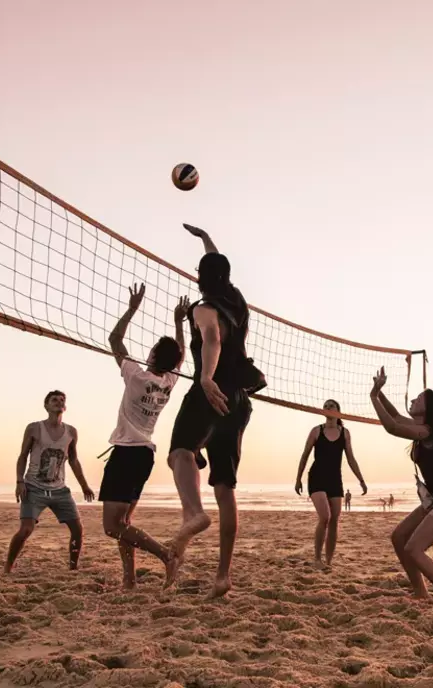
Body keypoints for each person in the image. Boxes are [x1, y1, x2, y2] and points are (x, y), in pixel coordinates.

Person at [166, 223, 264, 598]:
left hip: (211, 391)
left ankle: (193, 512)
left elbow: (211, 338)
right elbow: (217, 265)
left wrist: (206, 378)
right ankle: (223, 575)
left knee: (180, 452)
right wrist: (205, 238)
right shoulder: (237, 301)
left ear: (199, 280)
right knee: (225, 489)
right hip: (240, 401)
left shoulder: (204, 308)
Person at [100, 284, 189, 588]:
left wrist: (133, 307)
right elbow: (182, 354)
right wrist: (179, 321)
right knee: (125, 524)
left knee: (112, 526)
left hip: (127, 453)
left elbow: (114, 339)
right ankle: (129, 580)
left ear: (152, 354)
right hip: (145, 455)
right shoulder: (169, 381)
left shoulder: (136, 376)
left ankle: (166, 555)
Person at [370, 366, 433, 601]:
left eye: (419, 398)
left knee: (414, 549)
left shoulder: (428, 431)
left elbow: (392, 427)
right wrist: (379, 391)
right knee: (398, 538)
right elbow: (395, 417)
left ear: (429, 409)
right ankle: (421, 594)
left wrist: (373, 397)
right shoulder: (421, 429)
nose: (414, 399)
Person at [5, 391, 95, 572]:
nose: (59, 402)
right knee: (25, 530)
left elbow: (74, 460)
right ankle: (8, 566)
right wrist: (19, 481)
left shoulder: (71, 432)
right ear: (46, 406)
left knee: (77, 530)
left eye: (62, 400)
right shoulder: (34, 428)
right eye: (54, 400)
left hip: (60, 490)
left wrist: (84, 485)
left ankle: (73, 567)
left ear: (65, 407)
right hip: (34, 488)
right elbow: (23, 456)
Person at [295, 399, 367, 568]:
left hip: (335, 479)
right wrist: (298, 478)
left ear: (338, 411)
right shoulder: (316, 431)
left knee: (334, 520)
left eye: (331, 406)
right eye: (325, 406)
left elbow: (350, 458)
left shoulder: (345, 433)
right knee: (325, 517)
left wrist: (361, 480)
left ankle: (328, 561)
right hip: (317, 477)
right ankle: (317, 559)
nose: (328, 408)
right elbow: (305, 455)